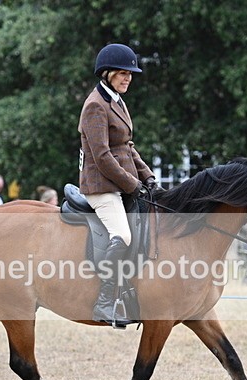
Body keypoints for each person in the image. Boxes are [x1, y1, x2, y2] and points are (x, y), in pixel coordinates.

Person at [78, 43, 156, 325]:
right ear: (107, 73)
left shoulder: (117, 101)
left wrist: (147, 177)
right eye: (123, 73)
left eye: (130, 74)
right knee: (122, 236)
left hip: (120, 183)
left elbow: (126, 147)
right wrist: (132, 184)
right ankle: (104, 302)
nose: (128, 78)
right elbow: (102, 156)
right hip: (101, 187)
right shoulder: (95, 106)